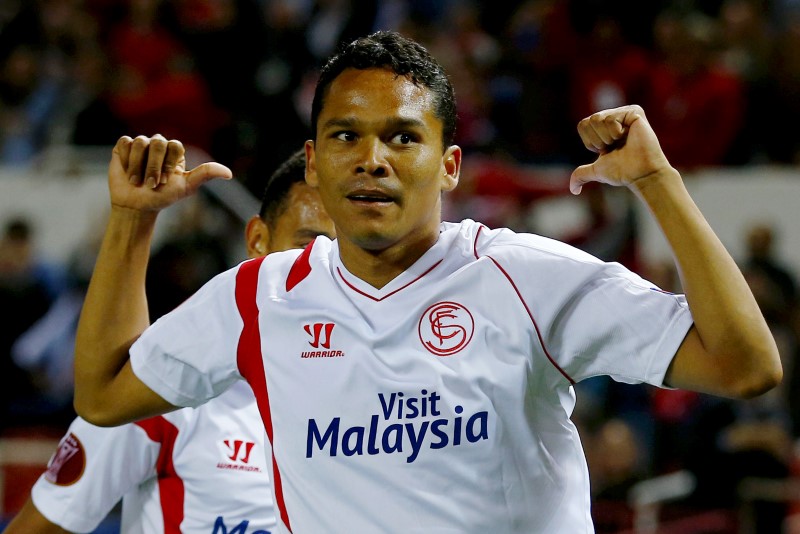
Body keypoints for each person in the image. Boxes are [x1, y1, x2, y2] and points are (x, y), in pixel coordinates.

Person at [72, 31, 781, 533]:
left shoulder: (523, 276)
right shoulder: (261, 297)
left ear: (449, 165)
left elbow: (747, 365)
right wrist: (132, 223)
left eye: (403, 137)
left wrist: (659, 184)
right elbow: (103, 396)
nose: (372, 159)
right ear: (313, 163)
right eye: (347, 136)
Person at [3, 149, 335, 533]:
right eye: (308, 246)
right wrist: (133, 219)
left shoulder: (375, 397)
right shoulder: (160, 385)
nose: (326, 271)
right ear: (258, 241)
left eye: (349, 255)